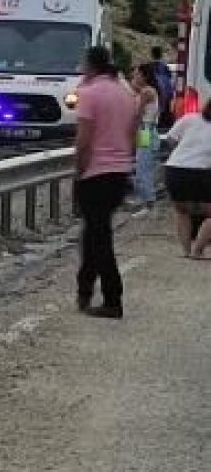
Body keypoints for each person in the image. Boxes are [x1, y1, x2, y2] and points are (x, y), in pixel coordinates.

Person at [74, 46, 138, 319]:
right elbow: (133, 135)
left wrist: (79, 170)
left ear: (90, 65)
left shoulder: (89, 94)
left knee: (98, 236)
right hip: (120, 172)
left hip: (95, 172)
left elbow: (84, 140)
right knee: (94, 231)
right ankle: (85, 289)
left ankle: (113, 298)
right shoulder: (126, 94)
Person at [163, 99, 211, 257]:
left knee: (182, 210)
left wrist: (184, 154)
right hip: (202, 171)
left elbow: (170, 139)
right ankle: (198, 250)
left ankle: (186, 252)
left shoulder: (189, 118)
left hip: (174, 169)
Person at [130, 63, 160, 207]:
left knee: (143, 166)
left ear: (145, 76)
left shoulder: (146, 92)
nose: (134, 76)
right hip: (146, 130)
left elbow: (138, 113)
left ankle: (148, 200)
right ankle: (145, 199)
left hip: (145, 131)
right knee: (143, 164)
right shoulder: (148, 90)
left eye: (137, 74)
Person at [150, 45, 175, 130]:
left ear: (152, 55)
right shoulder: (165, 67)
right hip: (166, 94)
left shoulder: (150, 67)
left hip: (155, 94)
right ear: (161, 55)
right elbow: (170, 80)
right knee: (164, 115)